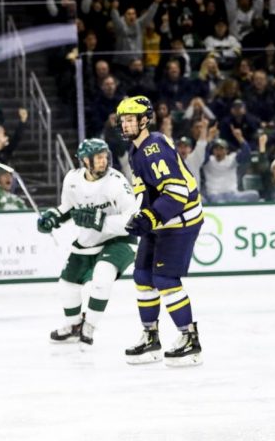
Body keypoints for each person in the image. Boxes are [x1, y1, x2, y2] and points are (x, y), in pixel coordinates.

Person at [115, 96, 203, 367]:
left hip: (180, 221)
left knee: (165, 279)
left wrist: (150, 217)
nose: (126, 123)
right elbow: (142, 187)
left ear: (144, 120)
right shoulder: (135, 149)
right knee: (142, 276)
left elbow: (177, 193)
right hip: (161, 220)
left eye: (131, 119)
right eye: (123, 119)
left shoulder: (154, 148)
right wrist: (140, 214)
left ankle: (190, 339)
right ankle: (151, 336)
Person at [37, 139, 138, 347]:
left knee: (102, 278)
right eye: (98, 157)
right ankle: (74, 325)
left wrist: (101, 221)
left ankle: (89, 326)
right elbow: (68, 207)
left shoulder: (117, 182)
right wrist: (53, 217)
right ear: (85, 160)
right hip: (88, 240)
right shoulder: (72, 180)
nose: (103, 161)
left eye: (104, 156)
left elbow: (133, 219)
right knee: (66, 286)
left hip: (119, 240)